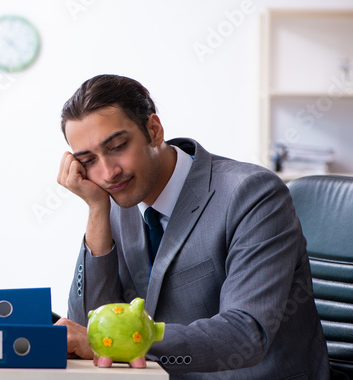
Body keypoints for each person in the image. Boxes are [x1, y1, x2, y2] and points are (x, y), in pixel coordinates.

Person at [55, 74, 330, 379]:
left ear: (153, 130)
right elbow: (87, 331)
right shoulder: (117, 201)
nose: (108, 172)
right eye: (88, 160)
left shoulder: (252, 194)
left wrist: (116, 344)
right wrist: (96, 211)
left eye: (118, 146)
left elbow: (245, 334)